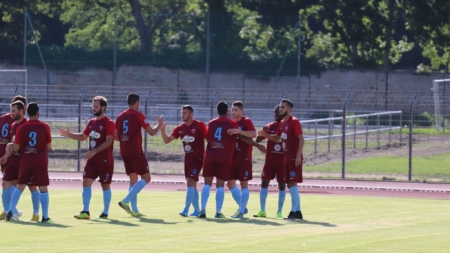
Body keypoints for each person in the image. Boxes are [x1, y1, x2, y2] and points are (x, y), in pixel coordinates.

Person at [59, 96, 115, 219]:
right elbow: (83, 136)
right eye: (93, 106)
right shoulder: (91, 122)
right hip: (92, 159)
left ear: (103, 107)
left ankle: (105, 212)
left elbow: (109, 141)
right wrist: (69, 134)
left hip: (105, 160)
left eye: (96, 106)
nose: (93, 109)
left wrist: (94, 151)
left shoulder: (109, 123)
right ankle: (85, 211)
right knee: (86, 182)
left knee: (105, 185)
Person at [115, 93, 163, 217]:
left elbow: (115, 135)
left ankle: (135, 210)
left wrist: (125, 139)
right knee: (146, 178)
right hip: (135, 151)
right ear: (137, 103)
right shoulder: (139, 115)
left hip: (124, 150)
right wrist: (159, 124)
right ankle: (125, 201)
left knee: (133, 180)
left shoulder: (120, 116)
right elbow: (152, 132)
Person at [4, 103, 53, 223]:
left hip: (25, 161)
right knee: (43, 188)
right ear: (38, 113)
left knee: (20, 185)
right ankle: (45, 216)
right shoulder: (45, 127)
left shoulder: (22, 127)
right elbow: (49, 147)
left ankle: (10, 210)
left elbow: (16, 148)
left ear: (27, 113)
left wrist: (12, 145)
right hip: (40, 161)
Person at [258, 99, 304, 220]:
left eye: (283, 107)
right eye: (280, 107)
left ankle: (293, 213)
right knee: (290, 184)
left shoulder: (294, 122)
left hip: (294, 157)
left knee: (292, 183)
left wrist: (298, 155)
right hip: (286, 157)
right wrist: (265, 134)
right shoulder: (282, 123)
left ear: (289, 109)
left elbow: (301, 139)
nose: (280, 109)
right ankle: (298, 212)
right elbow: (277, 138)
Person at [160, 105, 207, 217]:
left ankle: (185, 209)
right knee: (192, 184)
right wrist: (162, 130)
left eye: (185, 113)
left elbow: (209, 139)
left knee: (190, 181)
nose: (182, 115)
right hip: (188, 159)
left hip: (198, 159)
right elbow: (167, 141)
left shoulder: (199, 125)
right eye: (182, 113)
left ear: (191, 114)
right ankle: (196, 210)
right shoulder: (179, 128)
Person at [1, 96, 40, 221]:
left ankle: (36, 213)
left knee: (32, 186)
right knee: (5, 182)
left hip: (26, 161)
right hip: (13, 160)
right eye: (11, 111)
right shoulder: (13, 125)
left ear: (21, 111)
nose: (11, 114)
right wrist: (7, 155)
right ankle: (9, 211)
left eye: (13, 111)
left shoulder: (28, 125)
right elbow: (13, 144)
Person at [198, 101, 238, 218]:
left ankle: (203, 210)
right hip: (224, 157)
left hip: (210, 156)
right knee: (220, 185)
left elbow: (208, 137)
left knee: (207, 184)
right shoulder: (232, 123)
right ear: (227, 111)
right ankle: (218, 212)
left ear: (217, 111)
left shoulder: (211, 123)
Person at [253, 105, 286, 219]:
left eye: (277, 112)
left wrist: (266, 134)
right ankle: (262, 210)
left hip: (282, 162)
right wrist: (261, 133)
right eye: (274, 112)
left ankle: (279, 212)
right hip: (270, 161)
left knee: (282, 186)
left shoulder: (285, 126)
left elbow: (277, 138)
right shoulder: (270, 126)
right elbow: (257, 139)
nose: (275, 114)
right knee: (264, 183)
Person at [226, 101, 257, 219]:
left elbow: (254, 134)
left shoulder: (246, 121)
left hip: (244, 158)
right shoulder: (231, 123)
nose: (233, 112)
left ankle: (241, 211)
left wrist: (239, 131)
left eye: (236, 110)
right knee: (230, 184)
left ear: (241, 111)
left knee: (244, 184)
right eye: (232, 110)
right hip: (232, 158)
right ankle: (242, 207)